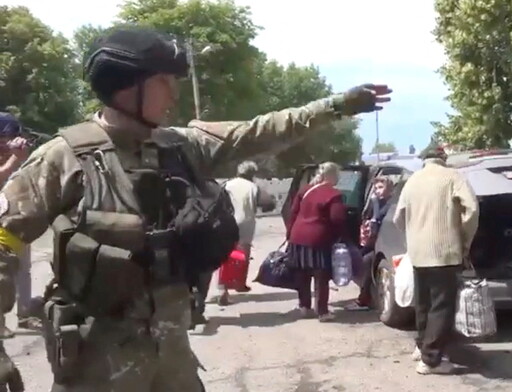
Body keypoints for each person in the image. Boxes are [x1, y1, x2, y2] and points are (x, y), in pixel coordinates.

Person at [0, 26, 391, 391]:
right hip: (98, 364)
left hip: (172, 358)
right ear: (128, 88)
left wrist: (336, 106)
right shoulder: (63, 159)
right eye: (164, 83)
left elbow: (258, 132)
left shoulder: (179, 146)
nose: (173, 95)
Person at [393, 146, 479, 375]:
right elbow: (471, 210)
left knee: (423, 304)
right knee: (442, 306)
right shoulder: (452, 177)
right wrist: (464, 239)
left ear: (424, 160)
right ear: (443, 158)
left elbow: (398, 217)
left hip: (418, 253)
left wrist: (413, 236)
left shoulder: (412, 180)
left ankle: (422, 346)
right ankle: (431, 360)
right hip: (445, 251)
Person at [286, 162, 347, 322]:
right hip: (318, 239)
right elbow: (337, 218)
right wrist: (339, 238)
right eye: (337, 175)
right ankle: (322, 311)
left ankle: (305, 307)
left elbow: (292, 213)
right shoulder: (333, 194)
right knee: (321, 275)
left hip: (297, 237)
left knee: (303, 274)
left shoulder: (305, 190)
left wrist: (289, 235)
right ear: (331, 175)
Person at [211, 161, 276, 305]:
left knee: (224, 255)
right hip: (246, 223)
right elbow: (268, 204)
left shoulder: (227, 185)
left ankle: (223, 289)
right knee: (243, 255)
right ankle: (239, 284)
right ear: (252, 173)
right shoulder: (253, 187)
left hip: (227, 222)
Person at [0, 113, 40, 338]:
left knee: (23, 268)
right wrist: (14, 158)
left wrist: (21, 157)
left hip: (14, 220)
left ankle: (25, 315)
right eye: (7, 137)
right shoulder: (10, 156)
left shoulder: (16, 153)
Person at [346, 176, 393, 311]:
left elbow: (378, 219)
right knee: (359, 259)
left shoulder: (390, 204)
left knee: (366, 262)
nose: (377, 191)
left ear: (389, 188)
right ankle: (366, 295)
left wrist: (375, 204)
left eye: (381, 187)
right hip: (374, 241)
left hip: (385, 242)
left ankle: (364, 299)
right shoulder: (378, 202)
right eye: (376, 188)